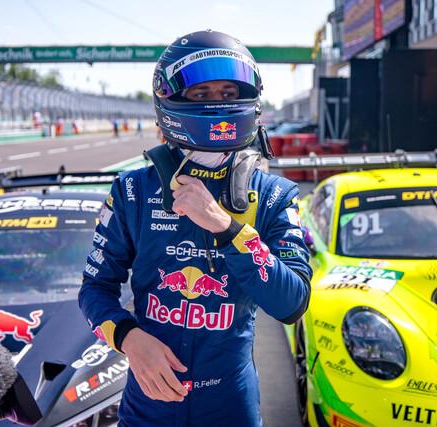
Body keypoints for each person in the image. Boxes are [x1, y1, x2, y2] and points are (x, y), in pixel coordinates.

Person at [79, 30, 312, 426]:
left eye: (228, 93)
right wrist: (129, 339)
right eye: (202, 93)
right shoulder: (132, 191)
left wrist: (226, 227)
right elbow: (94, 289)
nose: (218, 102)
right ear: (170, 100)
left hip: (230, 406)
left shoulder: (274, 196)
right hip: (146, 405)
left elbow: (291, 304)